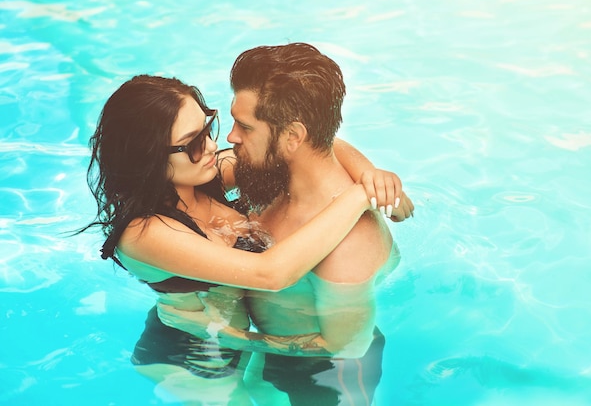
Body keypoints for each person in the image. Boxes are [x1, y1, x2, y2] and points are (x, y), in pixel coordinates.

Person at [79, 74, 405, 404]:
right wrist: (360, 196)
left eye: (208, 129)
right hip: (192, 359)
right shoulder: (145, 233)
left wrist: (373, 177)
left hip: (236, 343)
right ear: (146, 156)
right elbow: (271, 274)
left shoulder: (207, 176)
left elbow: (311, 146)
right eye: (192, 142)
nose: (210, 147)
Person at [160, 43, 414, 405]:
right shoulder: (272, 177)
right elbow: (330, 143)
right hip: (272, 351)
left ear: (293, 137)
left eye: (244, 127)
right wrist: (368, 175)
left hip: (323, 377)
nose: (230, 138)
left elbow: (347, 346)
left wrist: (230, 337)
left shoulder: (348, 246)